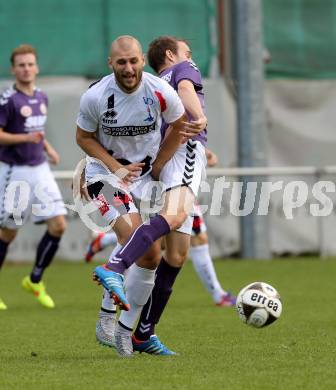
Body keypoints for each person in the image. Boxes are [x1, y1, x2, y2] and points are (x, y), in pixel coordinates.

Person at [76, 35, 202, 356]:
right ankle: (106, 315)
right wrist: (114, 166)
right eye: (121, 62)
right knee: (133, 237)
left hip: (142, 179)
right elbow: (83, 137)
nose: (128, 68)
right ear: (111, 64)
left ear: (142, 61)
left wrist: (159, 163)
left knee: (151, 255)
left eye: (133, 61)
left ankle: (124, 329)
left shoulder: (160, 92)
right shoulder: (96, 96)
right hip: (105, 178)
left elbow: (177, 124)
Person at [85, 148, 236, 307]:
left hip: (174, 182)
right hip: (167, 183)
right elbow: (176, 132)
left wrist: (200, 149)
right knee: (190, 238)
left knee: (166, 240)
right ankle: (218, 294)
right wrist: (201, 150)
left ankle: (105, 242)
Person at [0, 44, 67, 310]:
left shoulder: (41, 96)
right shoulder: (8, 100)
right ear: (13, 69)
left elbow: (36, 130)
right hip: (15, 172)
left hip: (40, 168)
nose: (26, 69)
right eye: (21, 65)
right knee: (8, 233)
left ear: (37, 67)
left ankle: (35, 279)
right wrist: (25, 138)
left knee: (59, 225)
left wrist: (48, 147)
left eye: (30, 64)